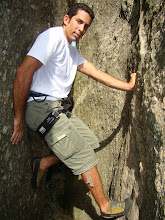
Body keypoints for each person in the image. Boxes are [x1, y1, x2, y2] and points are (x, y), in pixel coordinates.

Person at [10, 3, 136, 219]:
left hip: (56, 109)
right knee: (83, 154)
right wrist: (19, 117)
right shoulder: (52, 37)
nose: (81, 28)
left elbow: (95, 72)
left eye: (86, 26)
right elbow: (23, 72)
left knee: (89, 142)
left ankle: (43, 163)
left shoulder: (71, 49)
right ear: (66, 19)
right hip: (41, 108)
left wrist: (127, 86)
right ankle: (106, 208)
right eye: (79, 21)